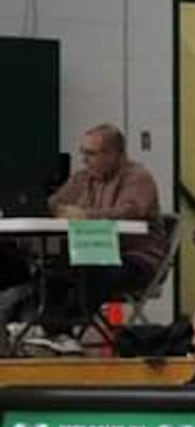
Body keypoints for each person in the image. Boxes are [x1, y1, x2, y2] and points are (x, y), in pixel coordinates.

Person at [32, 123, 168, 353]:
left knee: (91, 269)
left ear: (116, 154)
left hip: (136, 258)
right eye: (83, 152)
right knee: (54, 267)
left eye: (91, 154)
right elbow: (54, 204)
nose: (85, 160)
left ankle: (57, 330)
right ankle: (53, 331)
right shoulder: (82, 178)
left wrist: (85, 215)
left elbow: (131, 211)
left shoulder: (138, 177)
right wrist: (60, 210)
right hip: (92, 250)